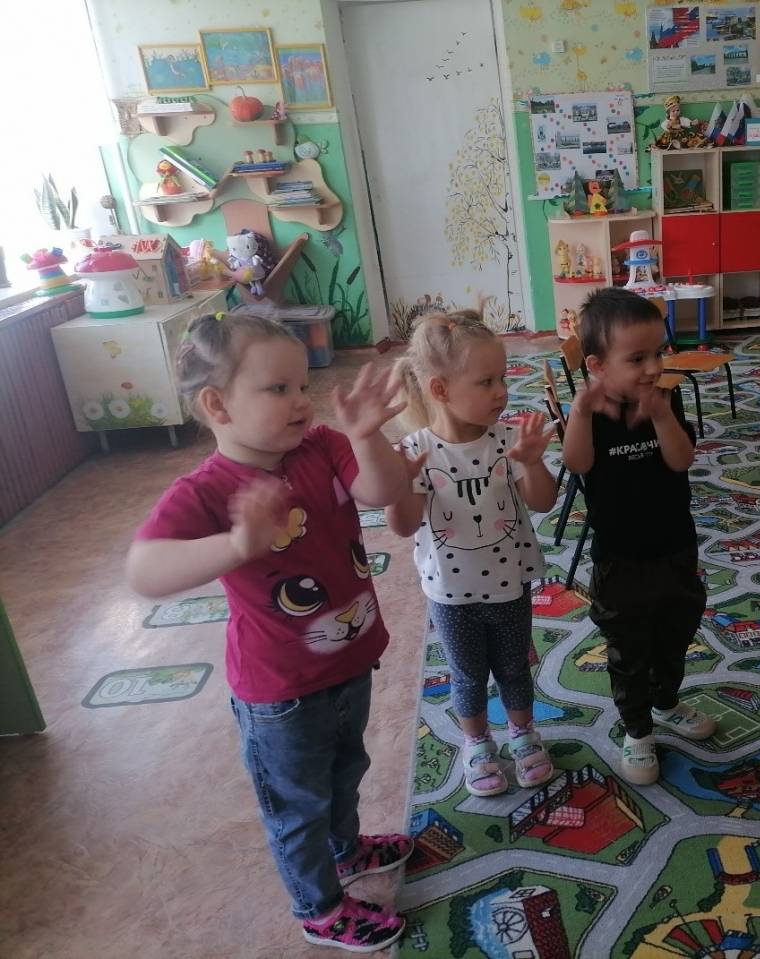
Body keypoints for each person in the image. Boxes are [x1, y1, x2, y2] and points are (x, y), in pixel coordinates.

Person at [126, 312, 413, 953]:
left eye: (302, 386)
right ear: (217, 404)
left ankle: (347, 851)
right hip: (280, 693)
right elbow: (143, 570)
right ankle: (319, 909)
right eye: (278, 389)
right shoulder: (206, 490)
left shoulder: (323, 446)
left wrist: (368, 436)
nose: (301, 401)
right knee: (297, 807)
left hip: (348, 662)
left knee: (346, 771)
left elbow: (385, 490)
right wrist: (235, 544)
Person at [386, 311, 558, 797]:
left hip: (509, 584)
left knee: (514, 667)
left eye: (502, 378)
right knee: (466, 675)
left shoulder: (508, 441)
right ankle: (478, 743)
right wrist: (399, 485)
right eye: (486, 381)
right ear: (439, 389)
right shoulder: (415, 451)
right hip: (450, 593)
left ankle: (523, 734)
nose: (502, 391)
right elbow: (403, 526)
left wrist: (533, 463)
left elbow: (543, 502)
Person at [561, 287, 716, 784]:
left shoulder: (665, 401)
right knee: (628, 649)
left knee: (675, 634)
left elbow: (681, 460)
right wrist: (579, 413)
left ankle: (666, 702)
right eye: (637, 358)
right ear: (597, 366)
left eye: (658, 353)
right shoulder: (591, 415)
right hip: (620, 560)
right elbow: (576, 463)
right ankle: (637, 729)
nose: (653, 367)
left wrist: (663, 416)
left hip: (675, 549)